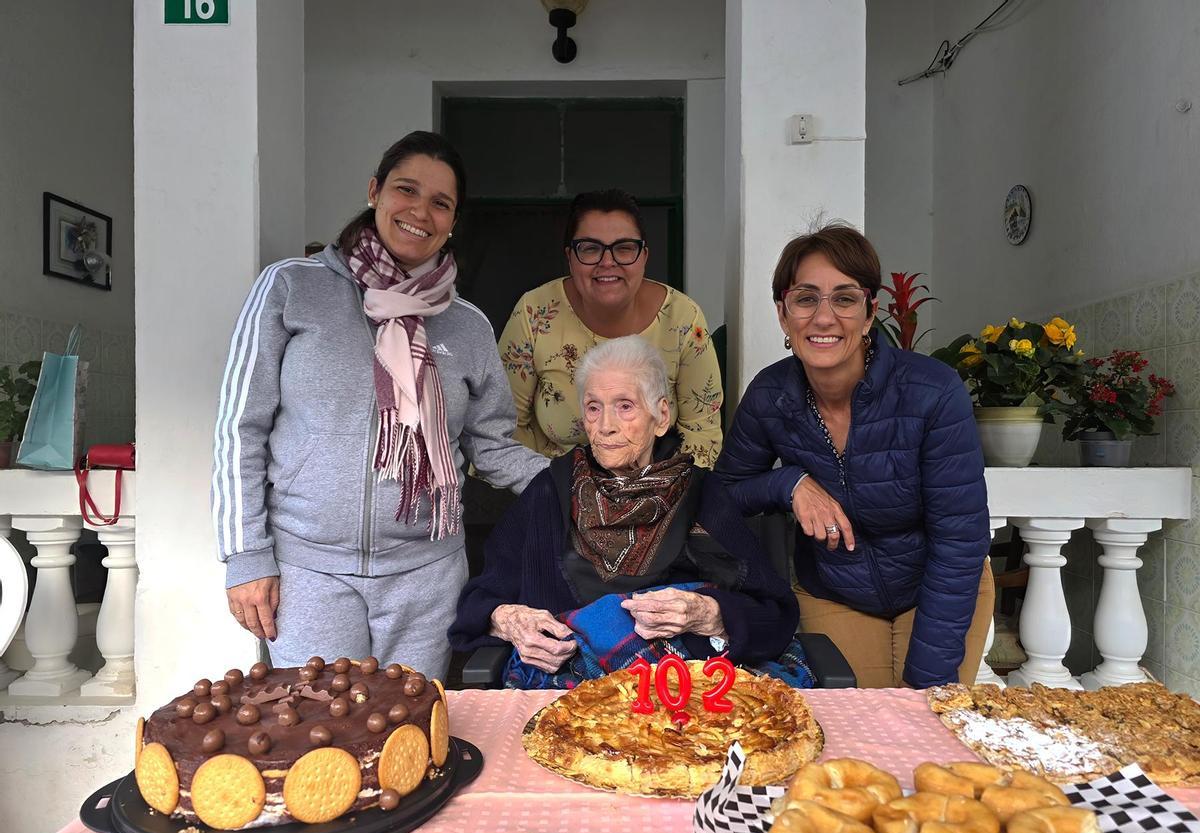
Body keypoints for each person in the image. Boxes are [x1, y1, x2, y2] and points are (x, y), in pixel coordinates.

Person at [213, 131, 547, 680]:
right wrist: (246, 556)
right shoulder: (291, 288)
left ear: (454, 221)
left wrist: (581, 483)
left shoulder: (468, 326)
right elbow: (239, 430)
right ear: (375, 191)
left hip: (428, 576)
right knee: (319, 740)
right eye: (406, 190)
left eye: (441, 203)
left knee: (413, 741)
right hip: (309, 571)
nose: (421, 212)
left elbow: (491, 448)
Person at [714, 224, 993, 689]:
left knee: (925, 728)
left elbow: (959, 542)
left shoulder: (933, 391)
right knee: (853, 735)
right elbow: (723, 497)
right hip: (834, 592)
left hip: (937, 587)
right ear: (783, 315)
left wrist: (925, 685)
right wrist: (790, 484)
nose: (824, 318)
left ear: (869, 314)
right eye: (806, 299)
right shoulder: (770, 396)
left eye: (844, 299)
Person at [449, 336, 811, 688]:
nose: (605, 425)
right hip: (572, 696)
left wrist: (709, 614)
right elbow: (481, 600)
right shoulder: (550, 490)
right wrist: (510, 620)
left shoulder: (701, 493)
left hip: (685, 692)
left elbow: (774, 612)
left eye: (625, 406)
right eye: (594, 407)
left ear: (661, 415)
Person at [498, 189, 725, 469]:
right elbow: (505, 426)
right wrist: (549, 492)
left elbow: (702, 432)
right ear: (570, 257)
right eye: (590, 248)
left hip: (657, 493)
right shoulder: (534, 314)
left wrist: (669, 498)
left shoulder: (683, 320)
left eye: (624, 247)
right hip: (553, 488)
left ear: (644, 256)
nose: (608, 262)